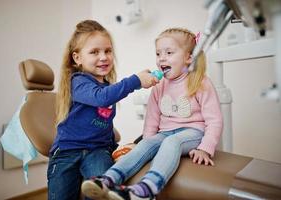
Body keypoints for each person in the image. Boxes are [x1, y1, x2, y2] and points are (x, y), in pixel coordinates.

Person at [81, 27, 223, 200]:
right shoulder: (160, 85)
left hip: (193, 133)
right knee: (145, 144)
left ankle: (148, 189)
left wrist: (205, 149)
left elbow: (214, 120)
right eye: (158, 54)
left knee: (172, 142)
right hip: (165, 133)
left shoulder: (200, 82)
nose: (162, 58)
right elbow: (152, 118)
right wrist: (148, 145)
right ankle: (108, 179)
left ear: (188, 58)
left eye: (169, 52)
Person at [47, 19, 159, 200]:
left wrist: (114, 148)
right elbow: (101, 98)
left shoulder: (108, 88)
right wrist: (136, 80)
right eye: (94, 52)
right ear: (77, 58)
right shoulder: (78, 82)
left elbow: (103, 123)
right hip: (67, 152)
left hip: (97, 151)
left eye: (108, 51)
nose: (103, 57)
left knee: (102, 190)